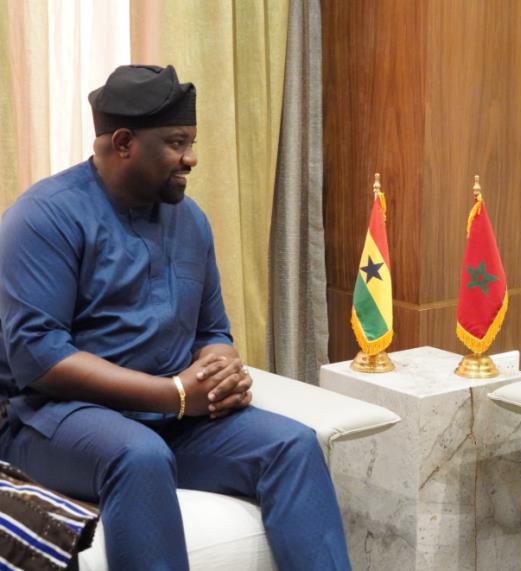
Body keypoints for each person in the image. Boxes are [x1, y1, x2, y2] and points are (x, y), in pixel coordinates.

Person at [0, 65, 350, 570]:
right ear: (124, 143)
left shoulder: (191, 220)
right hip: (55, 418)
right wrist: (177, 394)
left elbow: (212, 330)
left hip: (173, 418)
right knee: (140, 455)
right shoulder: (44, 216)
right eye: (176, 143)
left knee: (292, 446)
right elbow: (40, 358)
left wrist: (220, 369)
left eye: (191, 142)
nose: (192, 157)